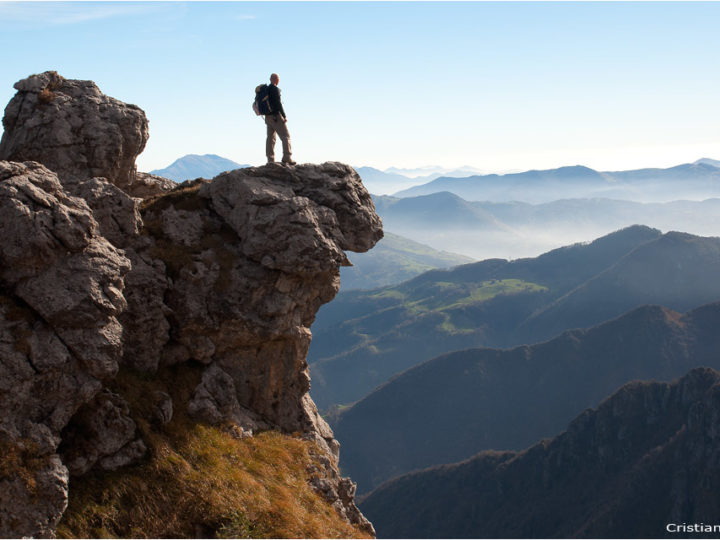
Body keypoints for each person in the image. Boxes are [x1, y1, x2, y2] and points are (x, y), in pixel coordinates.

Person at [265, 73, 296, 165]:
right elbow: (278, 104)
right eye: (278, 79)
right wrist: (284, 115)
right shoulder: (275, 89)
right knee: (286, 136)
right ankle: (287, 157)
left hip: (267, 117)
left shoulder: (266, 89)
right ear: (276, 80)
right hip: (276, 117)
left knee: (270, 138)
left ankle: (270, 160)